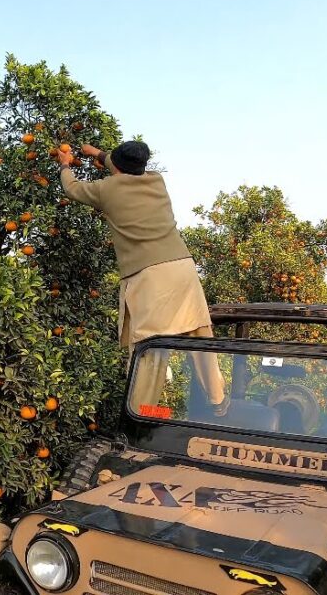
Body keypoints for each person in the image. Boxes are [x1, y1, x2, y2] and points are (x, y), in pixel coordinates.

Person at [58, 141, 227, 416]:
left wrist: (65, 164)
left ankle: (140, 415)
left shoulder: (105, 189)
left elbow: (72, 188)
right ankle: (219, 402)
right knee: (198, 331)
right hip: (182, 268)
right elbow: (119, 164)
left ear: (117, 166)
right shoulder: (156, 181)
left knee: (150, 349)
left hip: (149, 276)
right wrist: (96, 153)